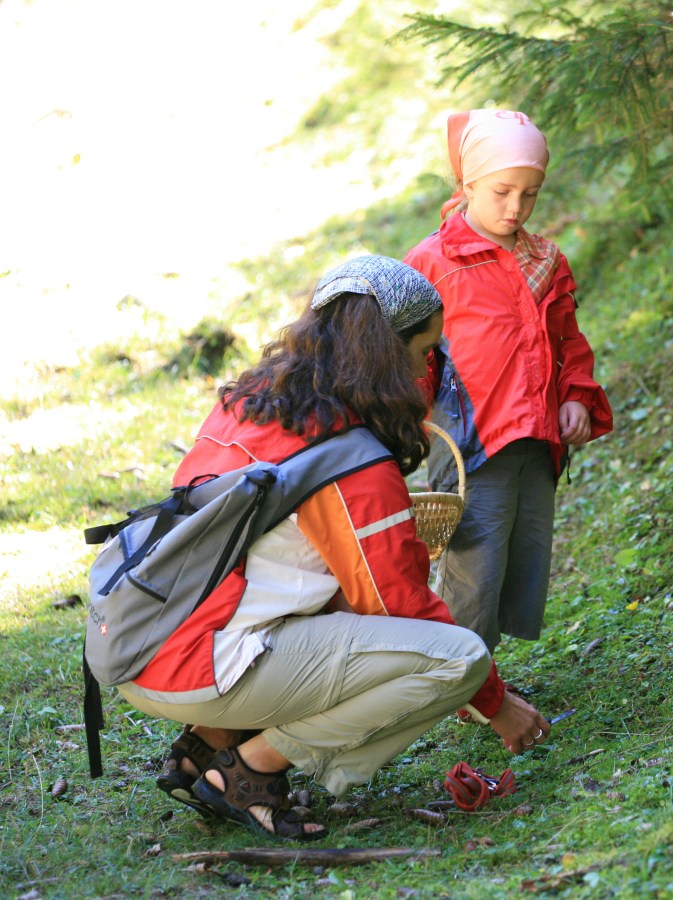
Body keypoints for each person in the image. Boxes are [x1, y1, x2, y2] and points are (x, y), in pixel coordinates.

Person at [115, 255, 550, 841]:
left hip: (148, 638)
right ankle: (250, 771)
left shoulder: (255, 399)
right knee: (459, 659)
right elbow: (401, 605)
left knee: (350, 615)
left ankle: (209, 744)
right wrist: (495, 702)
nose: (430, 368)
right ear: (387, 354)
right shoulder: (350, 455)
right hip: (201, 666)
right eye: (425, 352)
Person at [403, 109, 614, 661]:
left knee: (521, 551)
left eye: (530, 194)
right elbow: (405, 358)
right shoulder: (432, 265)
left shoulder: (545, 260)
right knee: (474, 564)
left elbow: (568, 343)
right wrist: (401, 426)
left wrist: (575, 395)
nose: (515, 207)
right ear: (467, 183)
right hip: (471, 443)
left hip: (535, 439)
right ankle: (463, 679)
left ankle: (481, 673)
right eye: (501, 191)